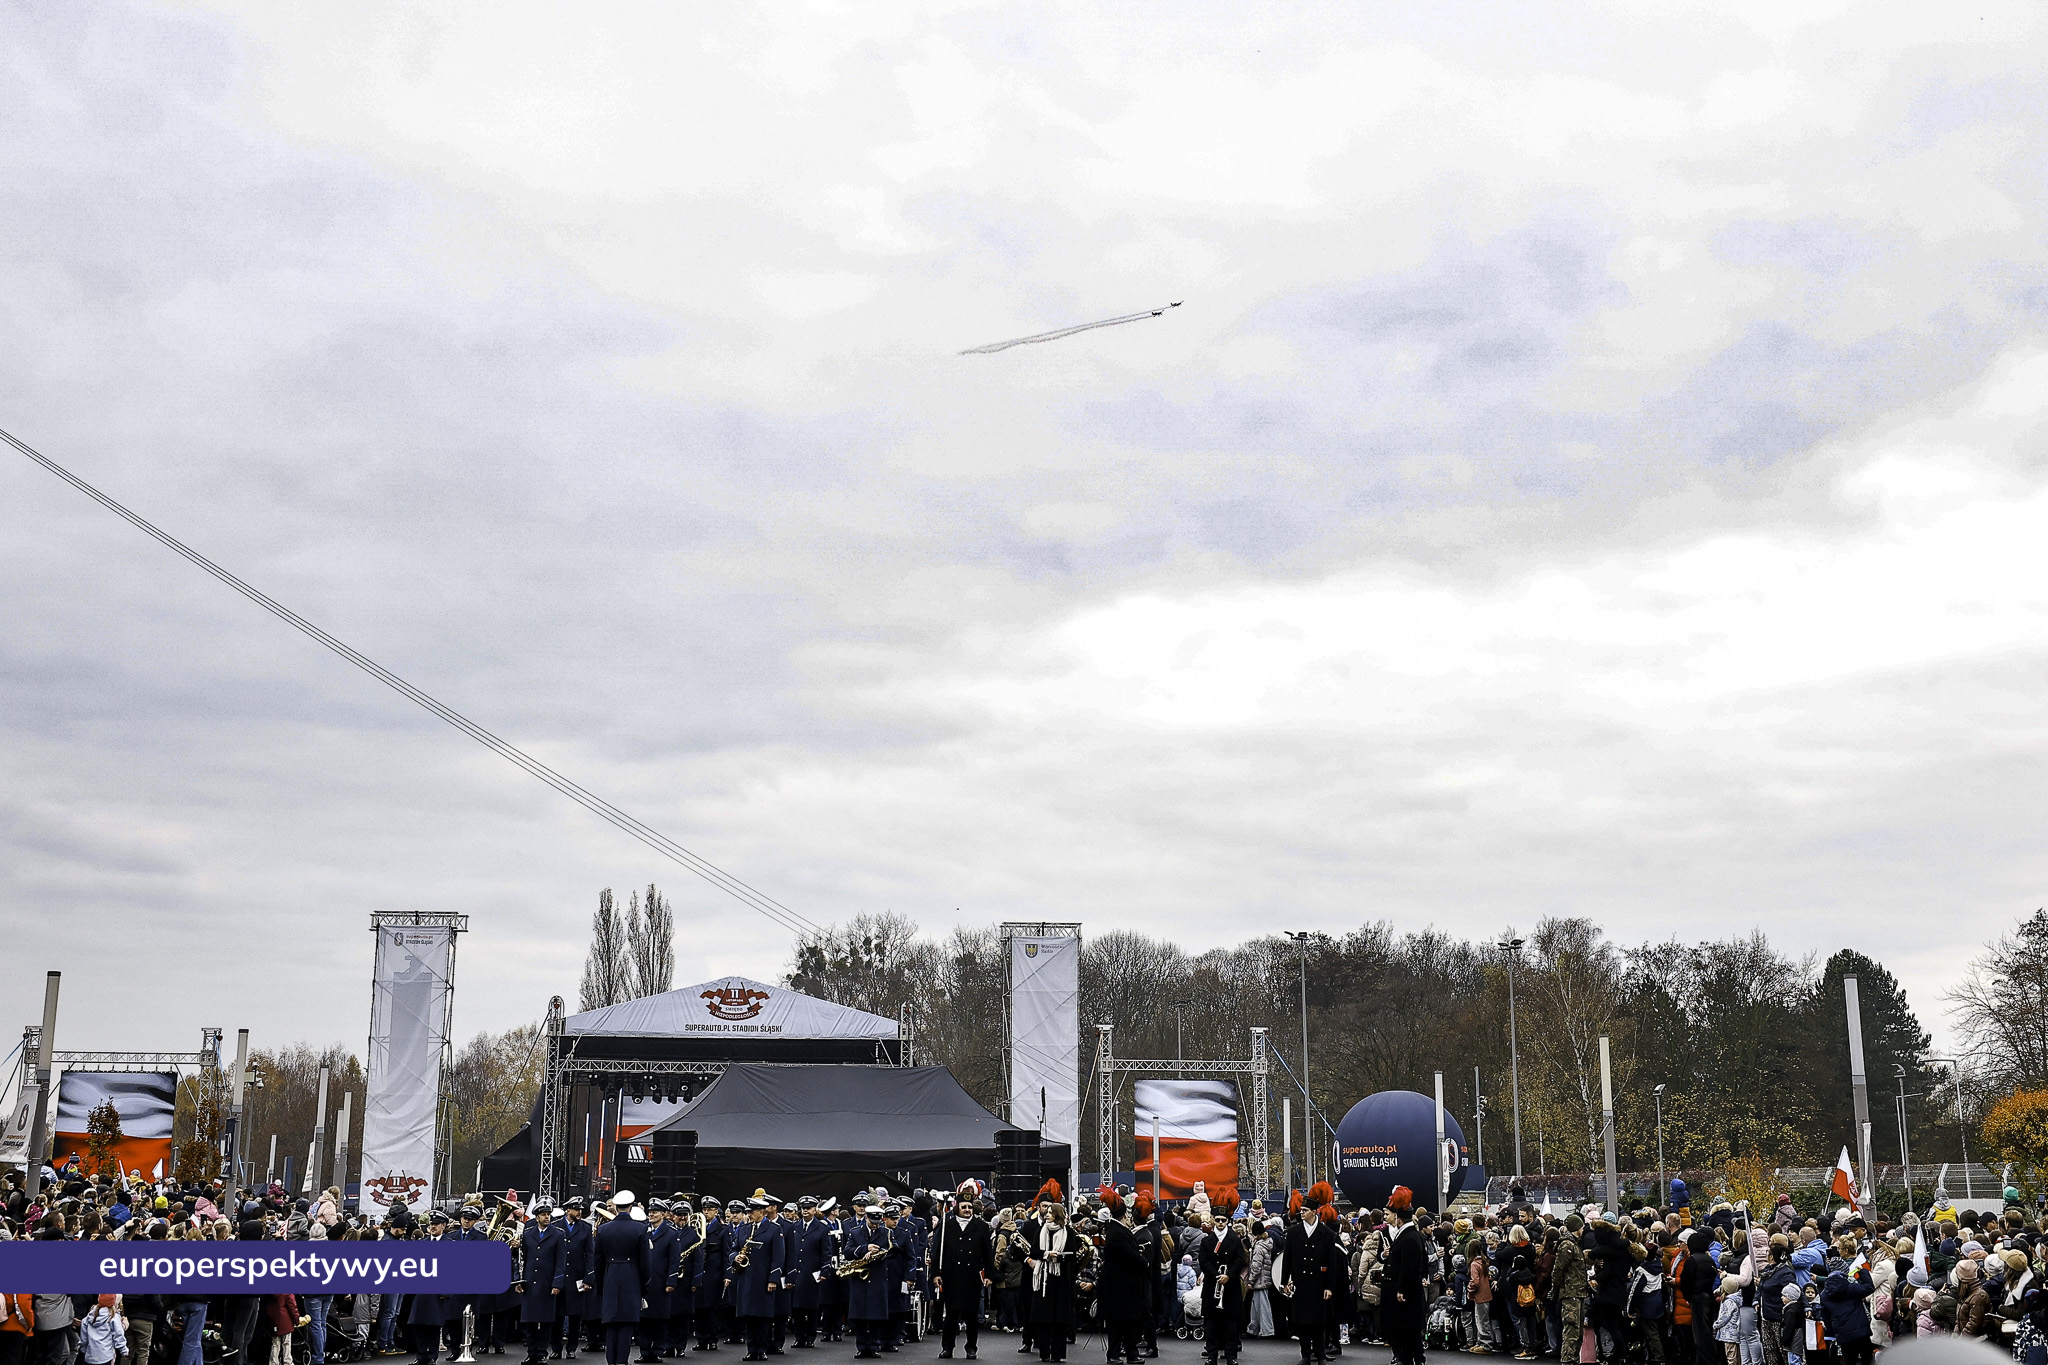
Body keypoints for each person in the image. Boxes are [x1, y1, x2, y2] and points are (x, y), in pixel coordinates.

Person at [932, 1185, 994, 1361]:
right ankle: (947, 1347)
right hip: (951, 1277)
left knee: (971, 1315)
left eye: (969, 1207)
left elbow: (987, 1253)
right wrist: (936, 1274)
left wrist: (989, 1274)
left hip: (972, 1276)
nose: (967, 1210)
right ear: (957, 1207)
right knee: (951, 1315)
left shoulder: (981, 1226)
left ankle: (971, 1347)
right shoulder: (947, 1225)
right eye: (964, 1207)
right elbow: (938, 1251)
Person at [1283, 1184, 1343, 1365]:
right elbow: (1287, 1259)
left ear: (1314, 1212)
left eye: (1305, 1210)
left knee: (1318, 1322)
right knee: (1302, 1323)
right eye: (1301, 1210)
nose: (1301, 1213)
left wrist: (1329, 1287)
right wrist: (1284, 1281)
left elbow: (1331, 1264)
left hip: (1318, 1283)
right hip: (1301, 1283)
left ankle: (1320, 1354)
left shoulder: (1326, 1234)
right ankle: (1305, 1355)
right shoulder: (1293, 1233)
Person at [592, 1193, 656, 1365]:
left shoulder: (603, 1229)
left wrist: (600, 1286)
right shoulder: (640, 1229)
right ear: (630, 1208)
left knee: (611, 1323)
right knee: (627, 1324)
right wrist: (644, 1287)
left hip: (610, 1277)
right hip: (632, 1278)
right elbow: (645, 1263)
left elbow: (597, 1261)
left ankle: (611, 1361)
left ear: (616, 1208)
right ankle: (622, 1361)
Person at [726, 1199, 785, 1363]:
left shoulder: (774, 1229)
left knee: (762, 1317)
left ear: (762, 1211)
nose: (749, 1214)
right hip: (746, 1279)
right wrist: (734, 1257)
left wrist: (773, 1279)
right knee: (749, 1316)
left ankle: (761, 1349)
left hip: (763, 1279)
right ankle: (751, 1349)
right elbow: (733, 1249)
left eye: (753, 1211)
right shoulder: (744, 1229)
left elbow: (778, 1257)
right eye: (749, 1211)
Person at [1026, 1195, 1079, 1364]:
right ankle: (1044, 1352)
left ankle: (1057, 1353)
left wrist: (1059, 1257)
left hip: (1061, 1278)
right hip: (1043, 1278)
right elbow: (1034, 1251)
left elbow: (1072, 1255)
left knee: (1059, 1318)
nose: (1047, 1215)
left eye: (1050, 1212)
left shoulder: (1067, 1232)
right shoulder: (1041, 1231)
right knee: (1043, 1317)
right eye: (1046, 1212)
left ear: (1058, 1215)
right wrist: (1046, 1254)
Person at [842, 1205, 894, 1361]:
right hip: (860, 1278)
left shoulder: (886, 1233)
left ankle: (873, 1346)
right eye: (872, 1222)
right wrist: (864, 1249)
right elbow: (847, 1251)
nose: (875, 1225)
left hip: (877, 1277)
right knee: (860, 1315)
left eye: (878, 1222)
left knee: (875, 1315)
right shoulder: (856, 1232)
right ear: (866, 1218)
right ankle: (861, 1346)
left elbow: (893, 1249)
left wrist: (879, 1253)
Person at [517, 1205, 567, 1364]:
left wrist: (557, 1282)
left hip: (547, 1282)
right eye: (543, 1215)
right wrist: (520, 1281)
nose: (547, 1217)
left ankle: (542, 1352)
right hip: (530, 1282)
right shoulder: (528, 1234)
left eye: (548, 1214)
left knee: (546, 1320)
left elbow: (561, 1261)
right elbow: (524, 1259)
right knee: (530, 1320)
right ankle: (531, 1352)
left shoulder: (558, 1235)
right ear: (536, 1217)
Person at [1197, 1211, 1249, 1365]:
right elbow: (1203, 1261)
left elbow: (1241, 1260)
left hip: (1230, 1287)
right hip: (1212, 1285)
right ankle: (1211, 1354)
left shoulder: (1234, 1239)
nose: (1220, 1223)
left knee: (1230, 1324)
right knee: (1211, 1323)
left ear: (1228, 1221)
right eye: (1217, 1220)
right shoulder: (1207, 1240)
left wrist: (1229, 1275)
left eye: (1223, 1220)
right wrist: (1215, 1275)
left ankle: (1230, 1355)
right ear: (1213, 1220)